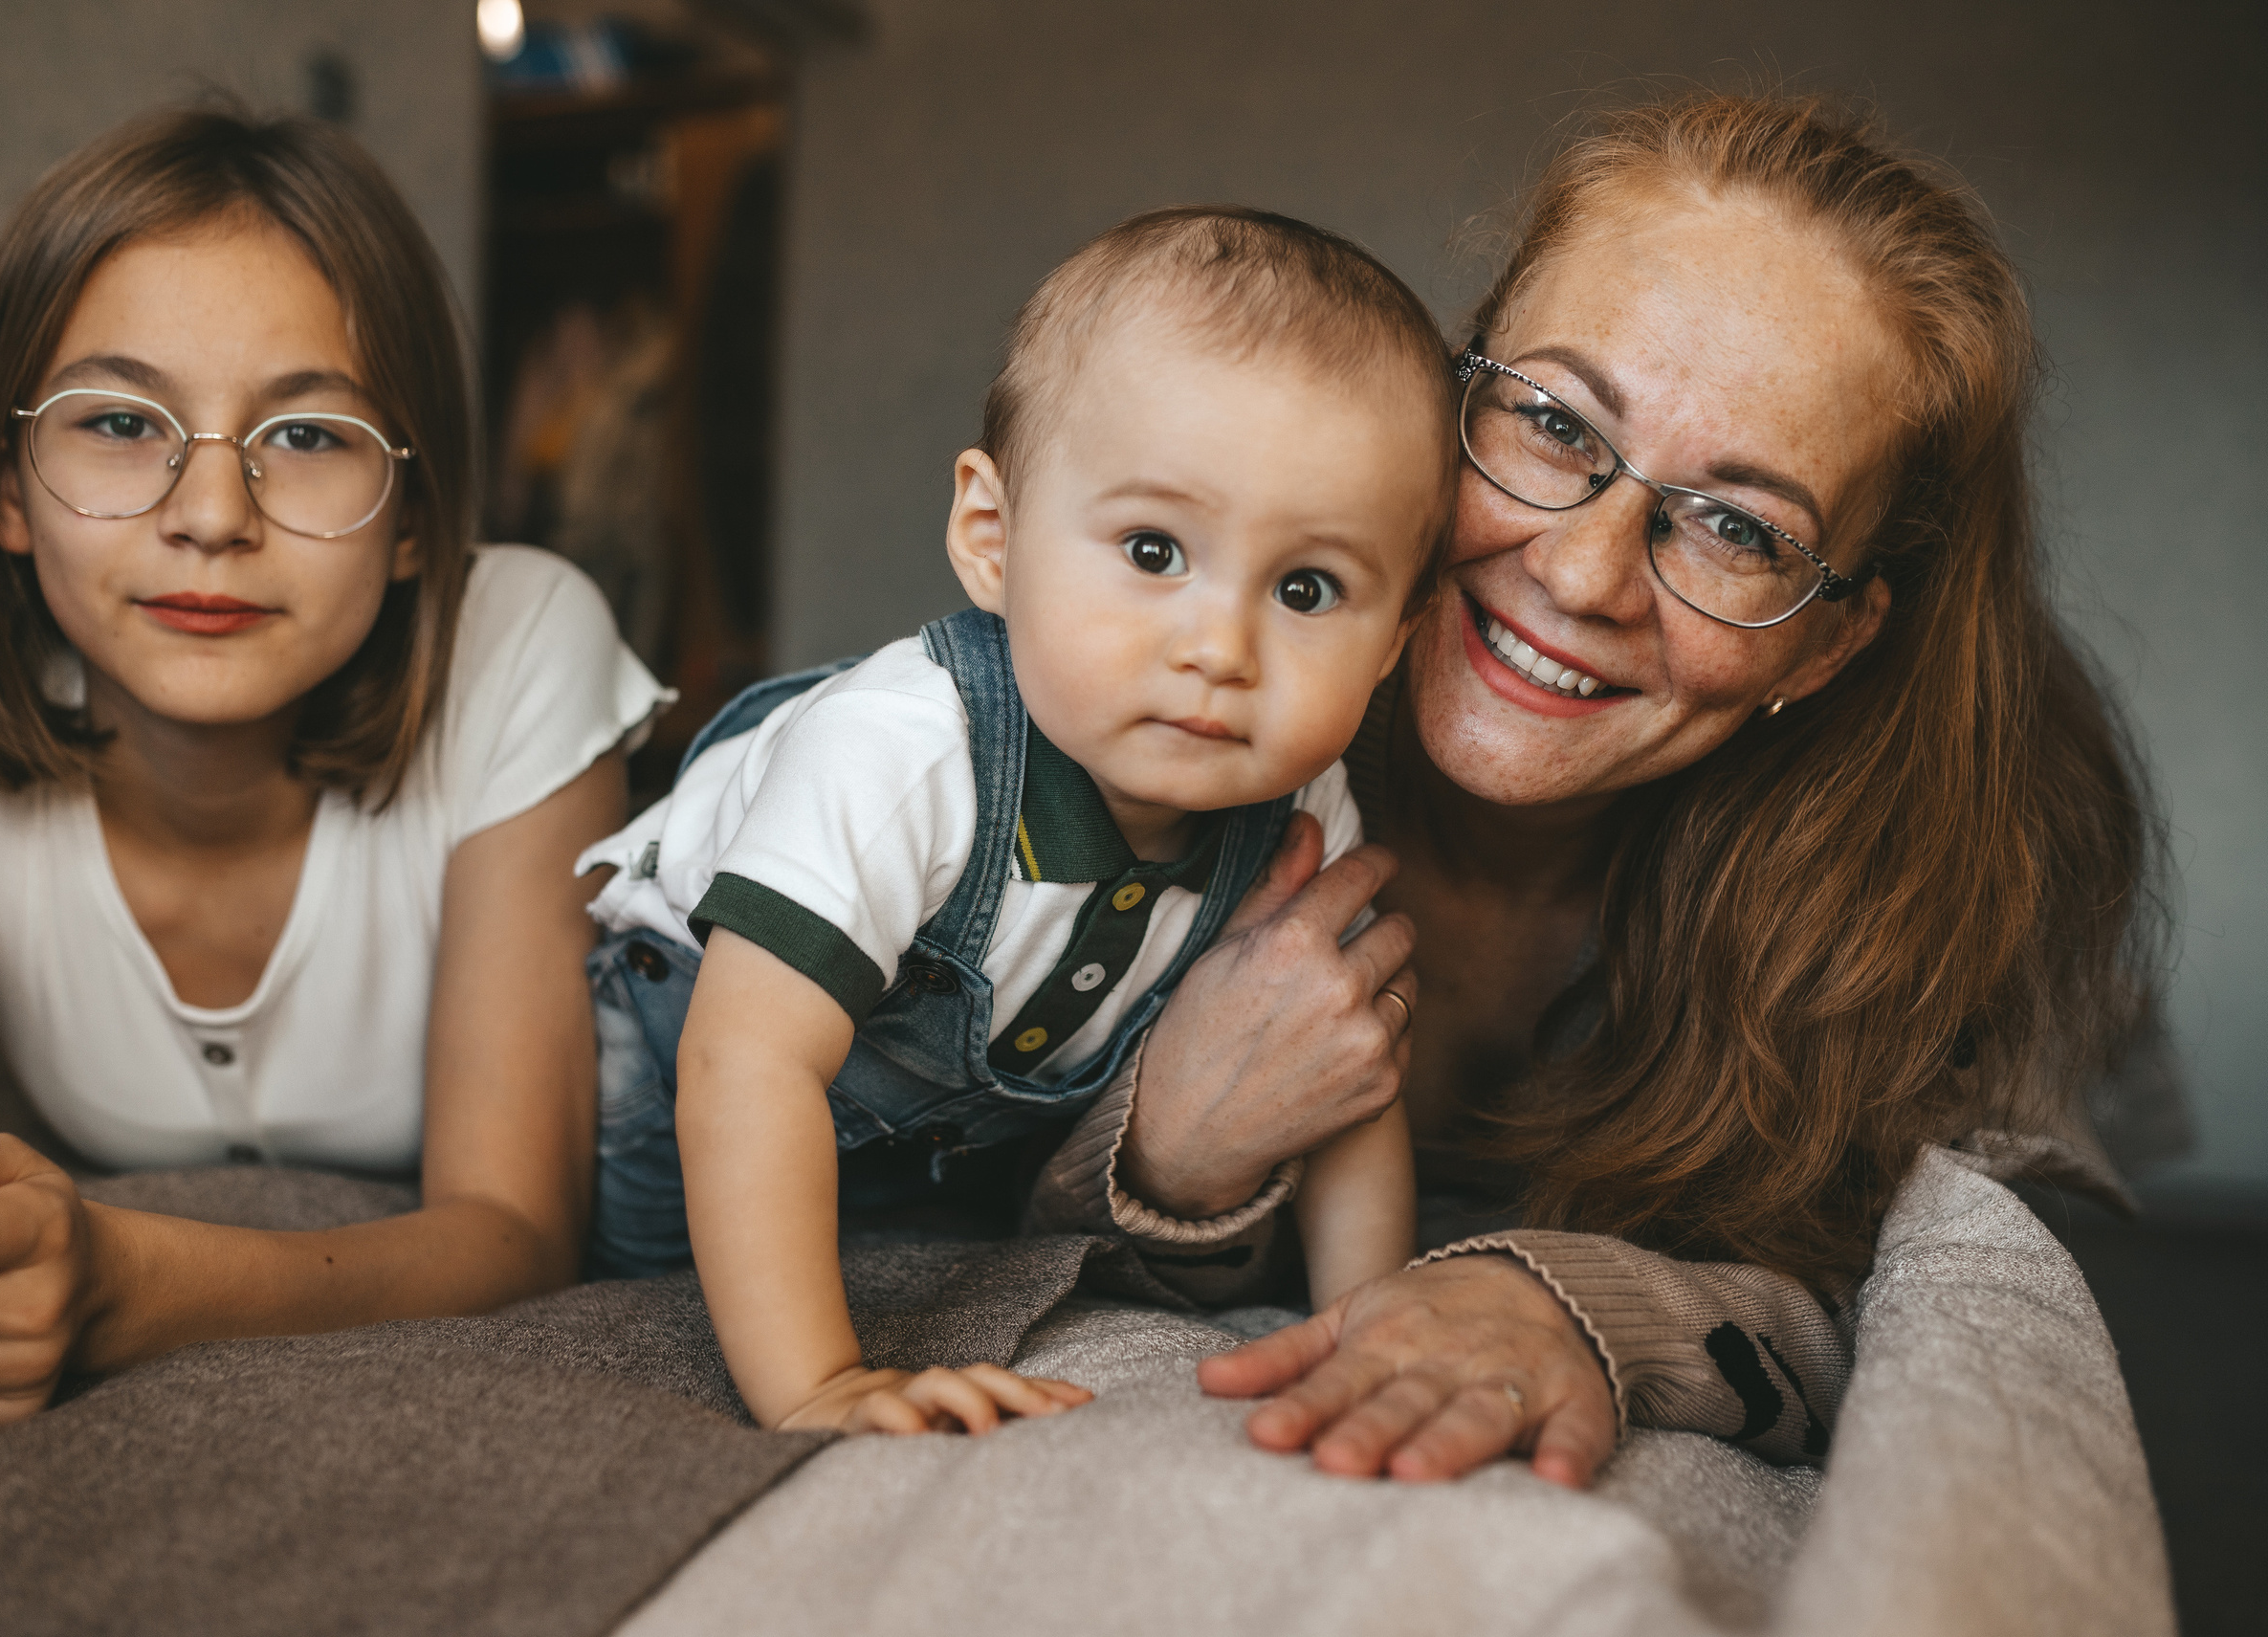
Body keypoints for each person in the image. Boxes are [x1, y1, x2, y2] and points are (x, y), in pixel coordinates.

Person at [1025, 93, 2157, 1486]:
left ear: (1834, 633)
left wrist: (1580, 1298)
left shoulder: (1963, 886)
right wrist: (1166, 1155)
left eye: (1739, 526)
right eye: (1556, 423)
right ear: (1451, 394)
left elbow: (1971, 1301)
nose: (1580, 574)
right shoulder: (1174, 699)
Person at [0, 109, 663, 1445]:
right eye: (116, 420)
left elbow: (513, 1227)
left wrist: (123, 1277)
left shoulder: (519, 638)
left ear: (411, 523)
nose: (212, 513)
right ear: (8, 492)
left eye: (312, 437)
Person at [574, 209, 1447, 1433]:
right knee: (643, 1305)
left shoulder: (1307, 800)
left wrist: (1370, 1322)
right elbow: (746, 1063)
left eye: (1307, 589)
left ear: (1395, 641)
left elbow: (1341, 1085)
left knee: (918, 1251)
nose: (1220, 648)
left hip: (922, 1139)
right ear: (992, 539)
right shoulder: (902, 749)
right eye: (1154, 549)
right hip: (675, 1055)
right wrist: (821, 1383)